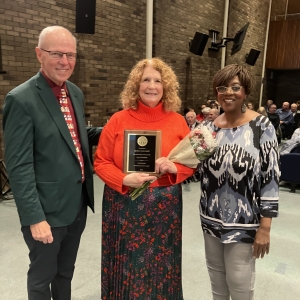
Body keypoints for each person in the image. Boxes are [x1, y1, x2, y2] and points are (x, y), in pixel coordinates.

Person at [2, 26, 94, 300]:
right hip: (46, 211)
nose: (65, 62)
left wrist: (115, 128)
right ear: (39, 54)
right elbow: (18, 166)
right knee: (43, 276)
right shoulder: (21, 99)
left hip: (76, 203)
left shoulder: (74, 92)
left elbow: (73, 135)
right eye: (57, 54)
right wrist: (34, 218)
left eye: (71, 55)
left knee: (66, 271)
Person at [94, 58, 194, 299]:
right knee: (126, 261)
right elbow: (101, 161)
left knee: (162, 261)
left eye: (158, 81)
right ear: (136, 86)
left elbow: (191, 161)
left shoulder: (178, 121)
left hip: (164, 207)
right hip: (124, 202)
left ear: (166, 86)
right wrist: (122, 179)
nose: (152, 86)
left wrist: (174, 169)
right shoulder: (118, 120)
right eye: (146, 80)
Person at [198, 64, 280, 300]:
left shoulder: (262, 127)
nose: (228, 93)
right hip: (210, 217)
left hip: (245, 221)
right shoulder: (208, 128)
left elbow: (271, 178)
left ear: (245, 91)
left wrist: (265, 227)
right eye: (222, 87)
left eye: (235, 87)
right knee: (217, 279)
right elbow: (191, 163)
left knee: (240, 282)